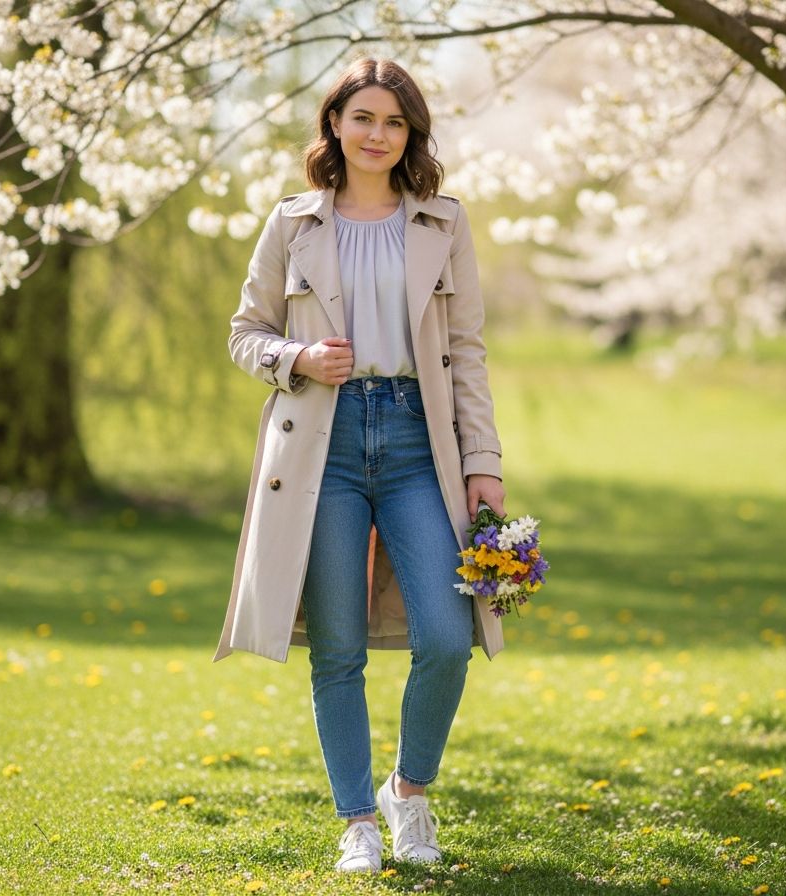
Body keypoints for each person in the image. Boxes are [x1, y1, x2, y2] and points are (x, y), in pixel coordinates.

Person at [211, 57, 507, 874]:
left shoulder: (443, 224)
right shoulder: (291, 224)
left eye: (395, 122)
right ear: (335, 124)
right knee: (336, 646)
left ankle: (407, 795)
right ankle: (356, 825)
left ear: (411, 134)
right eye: (364, 118)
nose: (379, 135)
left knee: (449, 638)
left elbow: (467, 353)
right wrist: (298, 353)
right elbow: (245, 334)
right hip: (324, 447)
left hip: (421, 445)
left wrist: (483, 462)